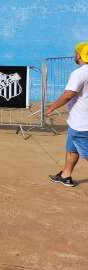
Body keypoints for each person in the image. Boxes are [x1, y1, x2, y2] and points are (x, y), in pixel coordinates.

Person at [47, 42, 88, 187]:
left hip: (82, 124)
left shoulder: (79, 73)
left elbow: (68, 95)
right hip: (77, 121)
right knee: (72, 149)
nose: (73, 55)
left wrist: (52, 107)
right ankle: (66, 175)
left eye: (75, 52)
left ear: (80, 55)